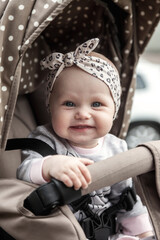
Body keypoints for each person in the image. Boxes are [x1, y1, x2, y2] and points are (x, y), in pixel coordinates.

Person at [17, 38, 154, 240]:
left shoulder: (117, 148)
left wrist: (144, 233)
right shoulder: (46, 141)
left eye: (97, 104)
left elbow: (126, 201)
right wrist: (48, 166)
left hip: (106, 229)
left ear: (114, 110)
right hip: (58, 230)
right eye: (69, 103)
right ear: (51, 108)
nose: (83, 113)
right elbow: (24, 172)